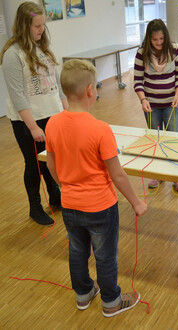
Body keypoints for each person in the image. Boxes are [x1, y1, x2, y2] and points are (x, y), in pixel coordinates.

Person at [45, 59, 147, 317]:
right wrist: (137, 202)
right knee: (105, 256)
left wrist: (66, 187)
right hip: (101, 207)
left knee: (77, 251)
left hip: (70, 205)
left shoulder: (53, 124)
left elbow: (51, 166)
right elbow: (118, 175)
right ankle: (111, 302)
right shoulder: (100, 129)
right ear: (91, 90)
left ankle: (83, 295)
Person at [0, 2, 68, 226]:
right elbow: (18, 95)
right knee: (34, 164)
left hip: (52, 115)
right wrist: (33, 127)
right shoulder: (13, 55)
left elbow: (56, 83)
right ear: (23, 25)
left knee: (51, 159)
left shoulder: (43, 48)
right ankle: (35, 207)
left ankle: (55, 196)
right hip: (28, 121)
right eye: (36, 26)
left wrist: (67, 112)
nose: (41, 30)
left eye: (42, 25)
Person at [134, 19, 178, 192]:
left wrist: (177, 96)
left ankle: (176, 177)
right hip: (151, 105)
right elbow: (137, 80)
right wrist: (143, 100)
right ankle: (157, 174)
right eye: (154, 39)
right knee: (155, 141)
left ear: (166, 37)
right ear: (149, 38)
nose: (158, 43)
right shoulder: (142, 53)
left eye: (161, 39)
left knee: (172, 141)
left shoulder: (174, 49)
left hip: (172, 104)